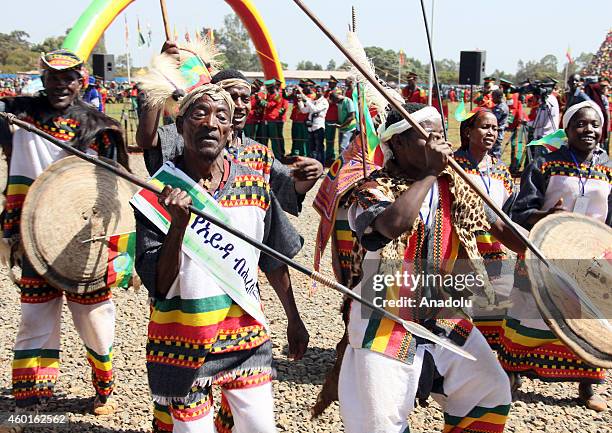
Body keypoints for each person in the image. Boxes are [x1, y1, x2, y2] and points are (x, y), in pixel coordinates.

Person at [337, 102, 525, 433]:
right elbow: (391, 225)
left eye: (441, 133)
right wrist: (428, 174)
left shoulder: (458, 186)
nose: (439, 141)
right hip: (384, 321)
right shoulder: (370, 190)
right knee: (379, 422)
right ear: (397, 143)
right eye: (427, 135)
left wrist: (545, 241)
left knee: (490, 391)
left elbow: (502, 230)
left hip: (442, 316)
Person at [135, 83, 290, 432]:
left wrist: (293, 318)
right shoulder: (158, 192)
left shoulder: (255, 185)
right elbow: (158, 282)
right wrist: (177, 227)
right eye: (198, 114)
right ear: (179, 127)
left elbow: (274, 257)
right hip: (182, 342)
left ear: (231, 125)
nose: (210, 123)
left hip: (246, 336)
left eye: (221, 115)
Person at [0, 49, 129, 415]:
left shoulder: (98, 127)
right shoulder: (18, 115)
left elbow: (112, 189)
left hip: (84, 241)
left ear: (81, 81)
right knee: (34, 319)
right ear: (43, 79)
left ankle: (105, 388)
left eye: (68, 77)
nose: (60, 84)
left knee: (95, 321)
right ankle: (30, 397)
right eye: (53, 77)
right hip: (32, 238)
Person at [499, 100, 610, 412]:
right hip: (545, 251)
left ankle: (588, 387)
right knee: (527, 311)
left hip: (590, 260)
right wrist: (545, 215)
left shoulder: (608, 168)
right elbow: (519, 211)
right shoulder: (545, 164)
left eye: (594, 124)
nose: (588, 129)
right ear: (567, 128)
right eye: (580, 124)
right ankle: (512, 373)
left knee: (589, 319)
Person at [454, 108, 517, 350]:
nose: (491, 132)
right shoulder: (453, 165)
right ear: (468, 131)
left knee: (497, 305)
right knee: (461, 306)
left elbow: (510, 211)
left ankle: (491, 359)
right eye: (485, 127)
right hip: (461, 249)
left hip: (495, 250)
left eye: (495, 128)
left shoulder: (501, 169)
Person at [298, 85, 329, 164]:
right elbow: (304, 110)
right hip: (311, 126)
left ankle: (321, 164)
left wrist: (307, 101)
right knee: (312, 147)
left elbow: (315, 109)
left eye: (319, 91)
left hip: (319, 126)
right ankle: (313, 163)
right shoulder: (313, 101)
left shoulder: (324, 102)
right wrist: (300, 101)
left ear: (323, 92)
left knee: (319, 147)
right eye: (317, 91)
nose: (318, 93)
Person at [258, 78, 287, 159]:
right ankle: (264, 155)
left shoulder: (278, 96)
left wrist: (261, 101)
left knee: (274, 139)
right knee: (264, 139)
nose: (267, 90)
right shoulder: (269, 94)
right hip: (266, 119)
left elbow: (270, 105)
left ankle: (277, 156)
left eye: (268, 88)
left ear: (272, 87)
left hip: (273, 120)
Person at [324, 76, 340, 165]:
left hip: (333, 117)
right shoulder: (328, 91)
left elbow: (329, 102)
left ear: (335, 84)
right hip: (326, 117)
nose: (329, 85)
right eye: (329, 83)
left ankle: (331, 156)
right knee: (328, 138)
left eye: (331, 83)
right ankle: (329, 155)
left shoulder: (337, 91)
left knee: (331, 139)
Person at [490, 89, 509, 159]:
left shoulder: (501, 108)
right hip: (496, 132)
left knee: (495, 155)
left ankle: (496, 168)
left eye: (493, 97)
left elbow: (493, 119)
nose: (492, 99)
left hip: (497, 134)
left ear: (498, 97)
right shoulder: (500, 106)